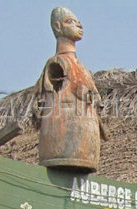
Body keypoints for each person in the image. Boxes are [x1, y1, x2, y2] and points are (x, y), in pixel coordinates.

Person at [33, 7, 107, 172]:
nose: (79, 25)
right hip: (61, 145)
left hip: (86, 147)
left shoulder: (83, 68)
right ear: (58, 27)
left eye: (79, 22)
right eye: (71, 21)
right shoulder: (57, 63)